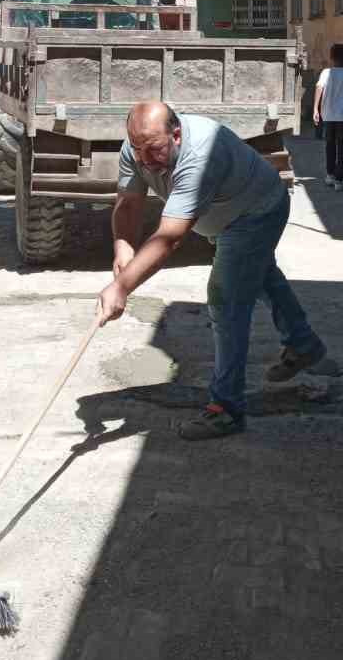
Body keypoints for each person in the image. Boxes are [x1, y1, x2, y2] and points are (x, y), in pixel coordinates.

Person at [97, 102, 329, 440]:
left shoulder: (201, 153)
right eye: (138, 150)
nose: (146, 160)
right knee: (259, 274)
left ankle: (226, 410)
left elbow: (170, 236)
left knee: (226, 300)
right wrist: (123, 246)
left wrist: (122, 287)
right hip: (228, 215)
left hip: (256, 211)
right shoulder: (139, 146)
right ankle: (304, 344)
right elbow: (129, 202)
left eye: (155, 150)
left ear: (176, 135)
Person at [313, 43, 343, 190]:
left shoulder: (326, 73)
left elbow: (319, 88)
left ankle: (330, 175)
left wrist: (316, 109)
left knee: (330, 145)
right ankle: (339, 180)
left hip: (328, 115)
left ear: (331, 57)